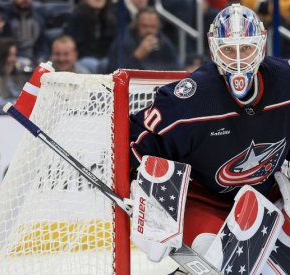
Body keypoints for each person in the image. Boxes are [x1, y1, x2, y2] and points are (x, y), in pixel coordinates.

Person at [129, 4, 290, 274]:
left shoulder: (286, 83)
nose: (238, 60)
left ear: (261, 46)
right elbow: (137, 139)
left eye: (246, 48)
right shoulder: (189, 101)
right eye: (228, 49)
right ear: (214, 48)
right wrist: (142, 188)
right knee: (213, 257)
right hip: (205, 202)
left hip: (266, 203)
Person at [108, 7, 180, 72]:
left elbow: (176, 68)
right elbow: (114, 72)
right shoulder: (123, 41)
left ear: (158, 27)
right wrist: (136, 56)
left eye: (153, 27)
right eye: (144, 26)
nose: (149, 30)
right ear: (136, 26)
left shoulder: (163, 42)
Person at [63, 0, 116, 73]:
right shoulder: (76, 17)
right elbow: (76, 47)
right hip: (82, 59)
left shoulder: (110, 19)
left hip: (104, 59)